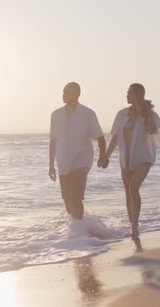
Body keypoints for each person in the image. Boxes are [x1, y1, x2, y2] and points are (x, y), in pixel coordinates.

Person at [104, 83, 160, 237]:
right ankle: (133, 226)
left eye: (129, 93)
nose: (127, 95)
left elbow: (153, 130)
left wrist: (147, 113)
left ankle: (135, 226)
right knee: (128, 193)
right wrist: (106, 156)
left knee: (133, 188)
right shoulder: (122, 114)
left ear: (137, 95)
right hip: (126, 158)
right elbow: (115, 137)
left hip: (143, 157)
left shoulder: (149, 114)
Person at [49, 82, 108, 220]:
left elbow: (100, 137)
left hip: (82, 160)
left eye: (66, 92)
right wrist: (51, 165)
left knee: (75, 196)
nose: (63, 95)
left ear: (76, 94)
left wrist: (103, 155)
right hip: (63, 162)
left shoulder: (87, 114)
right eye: (63, 92)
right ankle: (76, 230)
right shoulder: (56, 115)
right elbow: (53, 141)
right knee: (67, 199)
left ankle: (79, 230)